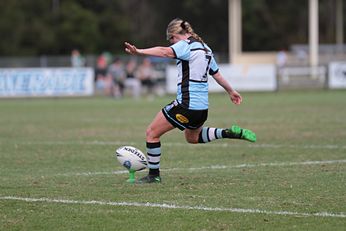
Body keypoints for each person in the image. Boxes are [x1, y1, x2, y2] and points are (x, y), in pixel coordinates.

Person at [124, 18, 256, 183]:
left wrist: (139, 52)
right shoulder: (206, 49)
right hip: (202, 109)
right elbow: (217, 74)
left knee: (152, 133)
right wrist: (231, 91)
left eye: (170, 39)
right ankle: (228, 132)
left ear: (174, 35)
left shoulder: (185, 44)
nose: (171, 43)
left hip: (186, 105)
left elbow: (164, 52)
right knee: (192, 138)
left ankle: (153, 176)